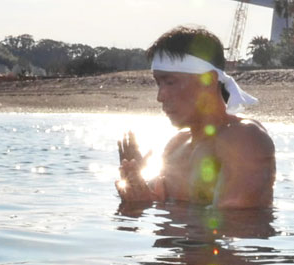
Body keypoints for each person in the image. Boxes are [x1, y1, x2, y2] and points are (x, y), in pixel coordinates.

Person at [116, 26, 276, 209]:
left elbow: (238, 223)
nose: (160, 96)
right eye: (158, 83)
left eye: (170, 82)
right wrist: (135, 179)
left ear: (208, 81)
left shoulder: (244, 139)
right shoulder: (175, 145)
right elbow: (155, 202)